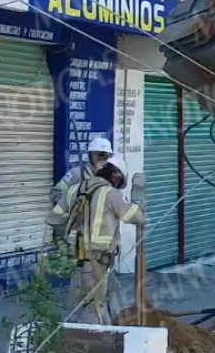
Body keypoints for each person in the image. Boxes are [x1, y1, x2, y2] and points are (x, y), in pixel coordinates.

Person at [47, 154, 146, 324]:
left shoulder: (75, 190)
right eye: (120, 182)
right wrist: (138, 192)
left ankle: (70, 340)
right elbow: (138, 217)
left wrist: (73, 232)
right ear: (115, 176)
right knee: (94, 304)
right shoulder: (110, 193)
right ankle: (90, 344)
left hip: (76, 256)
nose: (118, 186)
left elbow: (53, 218)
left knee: (77, 303)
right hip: (97, 258)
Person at [50, 137, 114, 206]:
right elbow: (55, 194)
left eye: (107, 156)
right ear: (90, 155)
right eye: (100, 155)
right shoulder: (77, 174)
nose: (103, 159)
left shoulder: (111, 177)